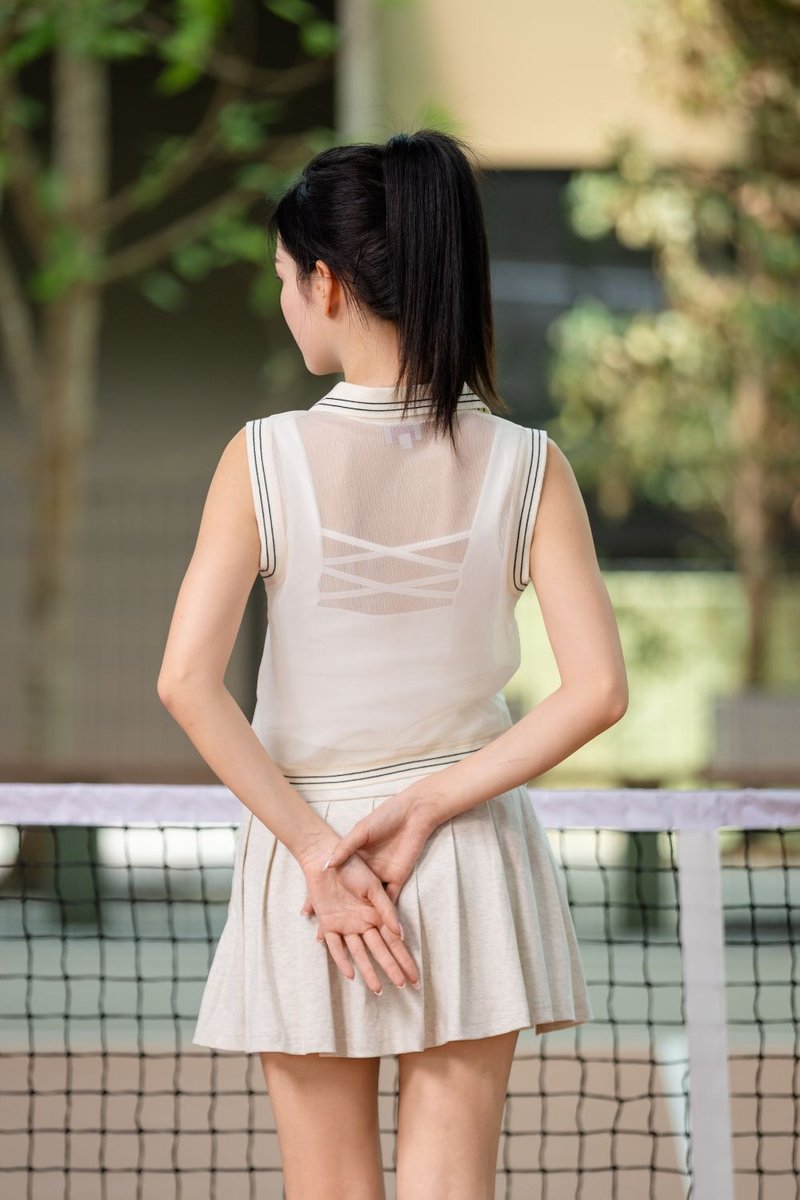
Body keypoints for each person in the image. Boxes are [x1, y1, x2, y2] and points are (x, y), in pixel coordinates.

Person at [157, 128, 628, 1200]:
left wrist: (319, 855)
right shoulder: (532, 463)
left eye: (285, 278)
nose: (286, 300)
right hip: (466, 849)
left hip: (307, 854)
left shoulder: (259, 455)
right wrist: (430, 805)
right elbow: (599, 691)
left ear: (325, 283)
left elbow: (185, 682)